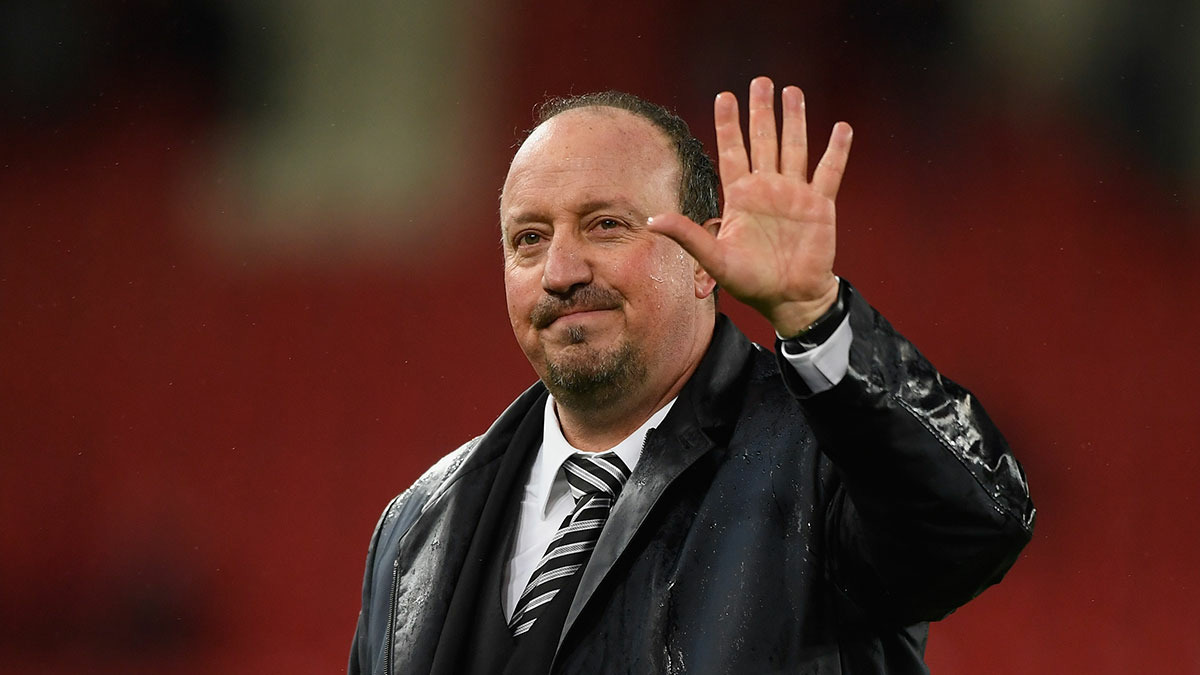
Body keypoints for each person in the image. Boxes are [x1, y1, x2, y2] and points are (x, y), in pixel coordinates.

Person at [348, 76, 1035, 674]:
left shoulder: (830, 464)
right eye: (529, 238)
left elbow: (975, 527)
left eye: (605, 225)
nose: (560, 271)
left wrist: (815, 316)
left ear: (704, 261)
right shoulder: (415, 526)